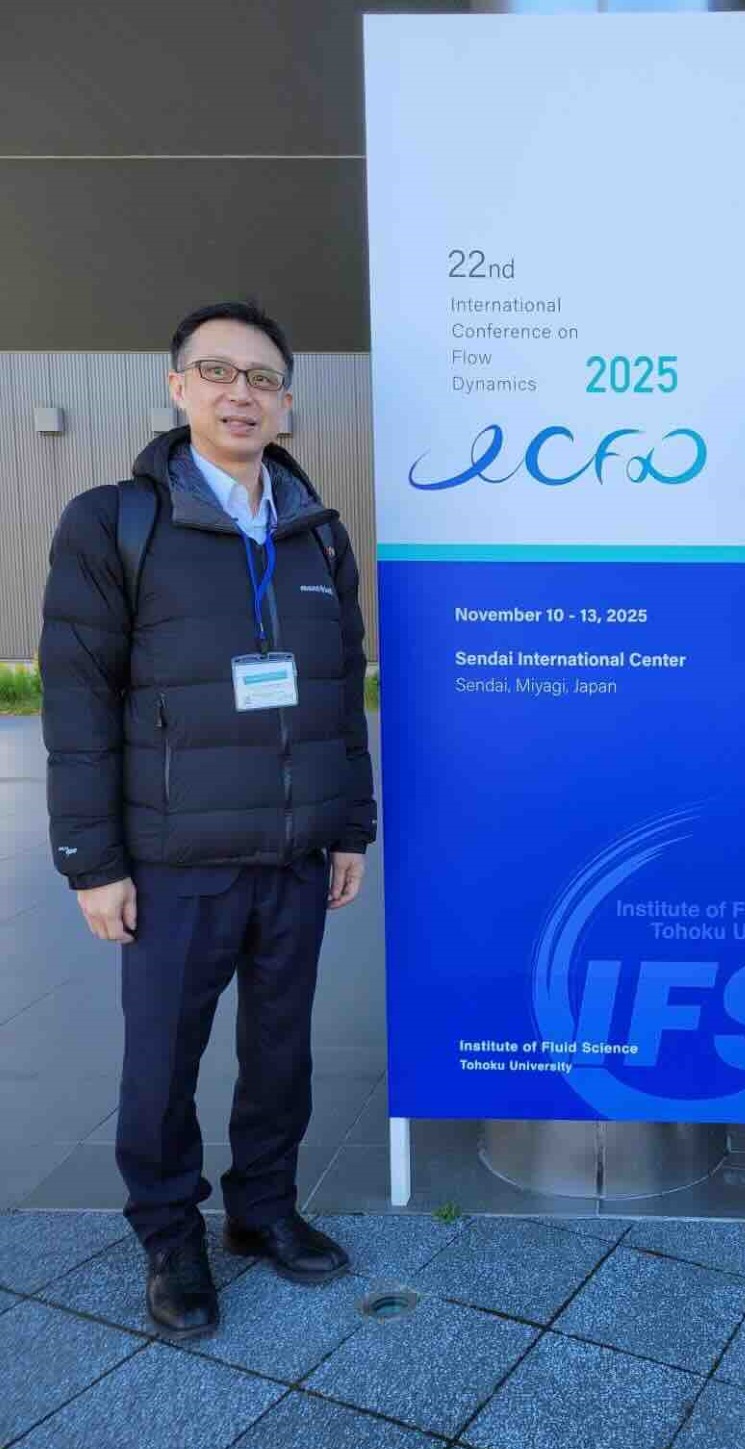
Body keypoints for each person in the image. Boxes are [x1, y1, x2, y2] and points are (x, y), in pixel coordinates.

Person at [40, 301, 376, 1337]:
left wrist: (349, 826)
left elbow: (338, 690)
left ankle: (262, 1209)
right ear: (178, 385)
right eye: (218, 371)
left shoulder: (315, 531)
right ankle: (168, 1234)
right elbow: (77, 701)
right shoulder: (115, 522)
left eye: (263, 377)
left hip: (293, 853)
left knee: (281, 1052)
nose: (242, 394)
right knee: (163, 1062)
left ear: (286, 402)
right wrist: (92, 860)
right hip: (175, 858)